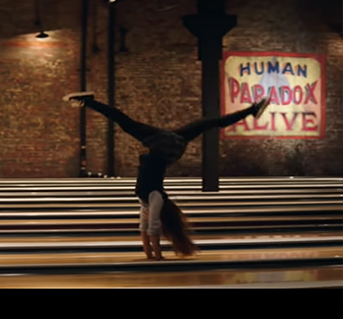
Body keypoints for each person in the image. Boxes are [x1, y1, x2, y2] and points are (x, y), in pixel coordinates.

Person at [63, 92, 271, 261]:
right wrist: (156, 257)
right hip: (167, 144)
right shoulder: (153, 197)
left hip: (168, 144)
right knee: (128, 122)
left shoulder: (149, 198)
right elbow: (149, 231)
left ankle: (88, 101)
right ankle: (252, 110)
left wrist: (154, 257)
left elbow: (147, 231)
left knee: (208, 123)